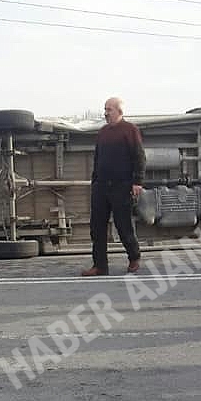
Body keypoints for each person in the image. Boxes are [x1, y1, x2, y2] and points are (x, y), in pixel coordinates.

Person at [81, 96, 145, 277]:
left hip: (122, 186)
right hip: (101, 186)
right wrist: (95, 181)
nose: (106, 113)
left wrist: (137, 182)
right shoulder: (102, 132)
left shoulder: (130, 130)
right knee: (97, 227)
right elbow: (97, 158)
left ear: (119, 111)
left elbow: (139, 156)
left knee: (123, 225)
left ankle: (134, 257)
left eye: (109, 109)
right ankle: (100, 265)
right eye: (105, 109)